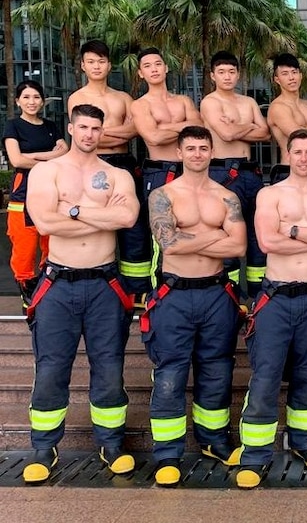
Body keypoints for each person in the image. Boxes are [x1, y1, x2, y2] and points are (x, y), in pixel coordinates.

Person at [22, 104, 139, 483]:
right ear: (71, 128)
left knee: (109, 368)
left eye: (96, 128)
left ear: (102, 131)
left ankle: (111, 444)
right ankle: (43, 447)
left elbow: (127, 219)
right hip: (59, 284)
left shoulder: (116, 174)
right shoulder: (47, 170)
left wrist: (70, 210)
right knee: (52, 368)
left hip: (104, 284)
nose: (89, 134)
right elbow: (43, 221)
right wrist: (93, 212)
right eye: (83, 126)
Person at [236, 128, 307, 489]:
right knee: (265, 376)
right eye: (296, 152)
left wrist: (293, 230)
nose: (302, 158)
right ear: (288, 154)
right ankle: (255, 454)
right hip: (277, 298)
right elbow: (268, 242)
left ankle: (305, 442)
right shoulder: (270, 194)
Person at [142, 126, 247, 486]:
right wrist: (216, 235)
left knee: (217, 369)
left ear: (212, 151)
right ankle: (167, 453)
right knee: (171, 372)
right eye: (191, 148)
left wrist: (195, 240)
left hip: (217, 294)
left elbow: (238, 248)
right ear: (180, 152)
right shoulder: (163, 195)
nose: (198, 154)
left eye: (204, 148)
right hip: (175, 295)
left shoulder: (227, 197)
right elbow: (168, 243)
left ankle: (214, 440)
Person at [68, 40, 151, 302]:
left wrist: (104, 134)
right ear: (83, 65)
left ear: (109, 64)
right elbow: (85, 139)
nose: (96, 66)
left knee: (133, 223)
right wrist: (116, 134)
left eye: (101, 61)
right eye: (91, 61)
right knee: (93, 222)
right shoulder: (77, 98)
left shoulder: (123, 98)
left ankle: (136, 290)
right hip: (92, 165)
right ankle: (93, 285)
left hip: (124, 163)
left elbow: (135, 131)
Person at [200, 51, 270, 298]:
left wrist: (237, 127)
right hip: (223, 172)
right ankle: (229, 297)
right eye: (221, 72)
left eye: (231, 72)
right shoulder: (210, 102)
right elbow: (225, 135)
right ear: (212, 75)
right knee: (227, 231)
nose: (227, 76)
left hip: (250, 172)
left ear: (238, 74)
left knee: (257, 233)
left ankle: (259, 295)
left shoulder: (248, 102)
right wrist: (249, 126)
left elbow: (265, 134)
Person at [3, 80, 67, 311]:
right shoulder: (13, 126)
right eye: (26, 97)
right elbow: (17, 160)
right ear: (18, 101)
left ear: (42, 100)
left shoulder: (50, 125)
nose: (32, 102)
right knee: (24, 246)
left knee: (52, 243)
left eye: (36, 97)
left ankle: (48, 285)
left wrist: (34, 155)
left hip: (52, 193)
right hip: (23, 196)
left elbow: (65, 152)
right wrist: (50, 155)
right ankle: (27, 290)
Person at [130, 47, 204, 200]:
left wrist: (164, 127)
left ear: (166, 68)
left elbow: (199, 127)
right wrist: (185, 127)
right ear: (141, 74)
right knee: (162, 219)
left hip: (189, 168)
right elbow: (154, 138)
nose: (154, 69)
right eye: (147, 66)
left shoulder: (183, 100)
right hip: (160, 170)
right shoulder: (140, 105)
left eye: (158, 64)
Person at [267, 52, 307, 183]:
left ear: (300, 75)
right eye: (285, 74)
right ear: (277, 79)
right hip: (288, 171)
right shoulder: (278, 107)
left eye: (294, 72)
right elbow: (301, 137)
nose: (291, 77)